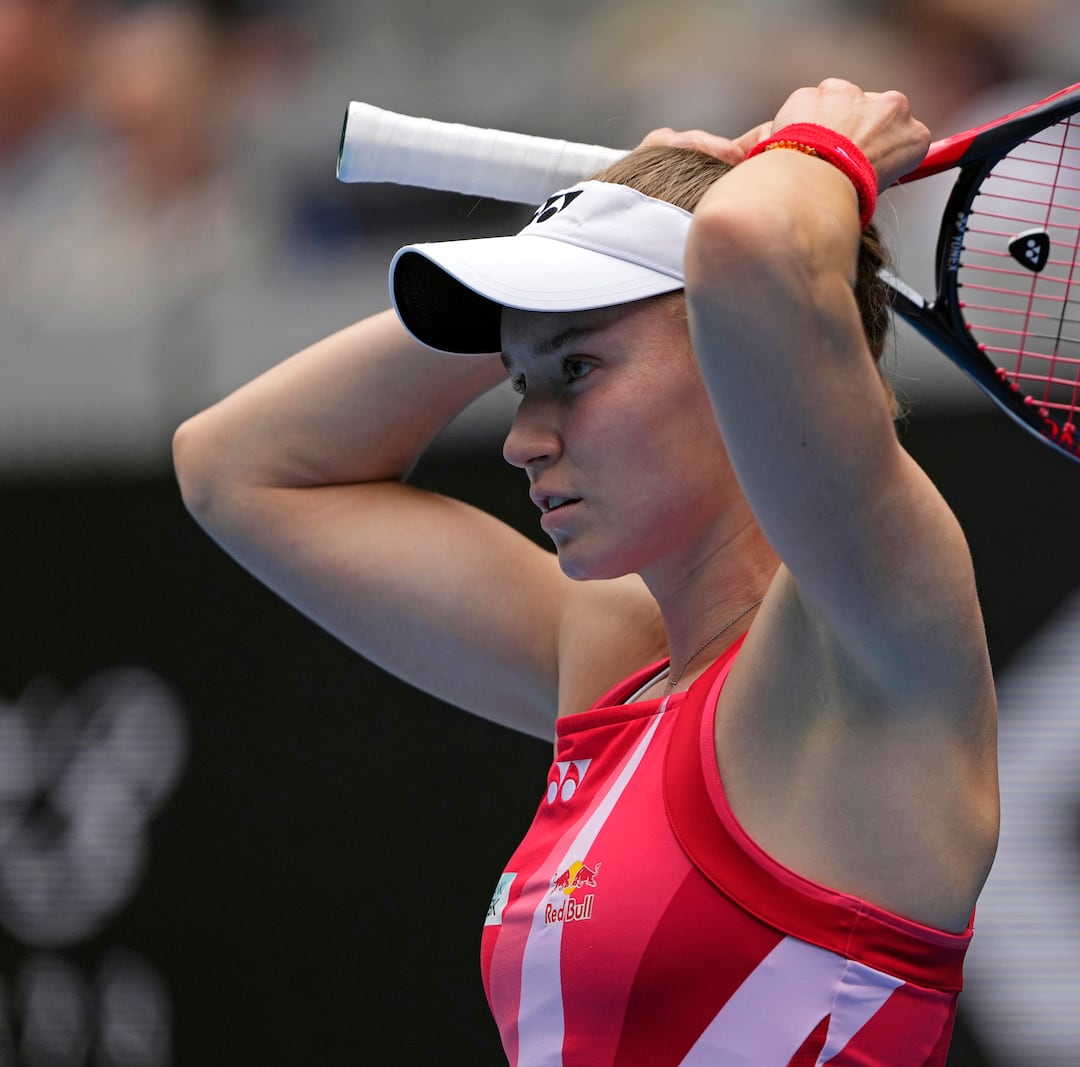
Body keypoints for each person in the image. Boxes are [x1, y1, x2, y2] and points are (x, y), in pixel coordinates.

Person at [172, 78, 999, 1064]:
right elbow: (232, 469)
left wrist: (823, 146)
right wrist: (576, 253)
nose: (522, 437)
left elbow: (754, 248)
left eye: (575, 370)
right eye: (522, 378)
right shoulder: (613, 662)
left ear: (728, 347)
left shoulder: (862, 640)